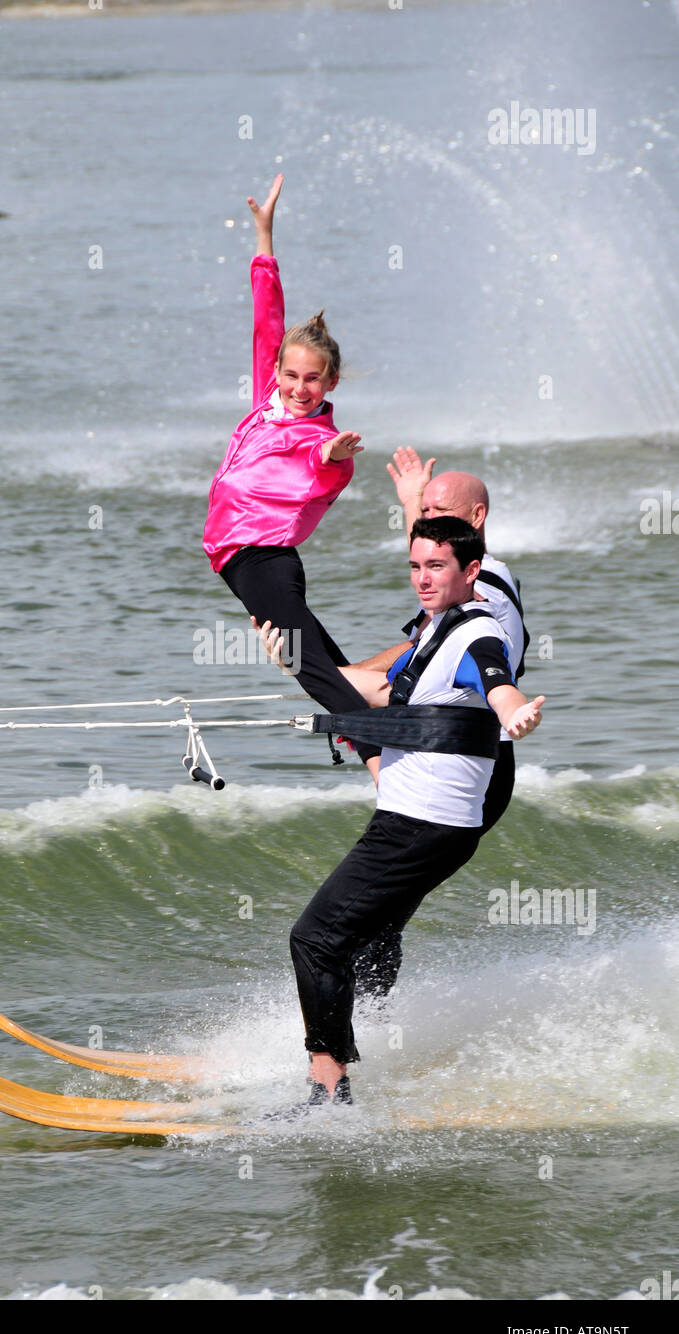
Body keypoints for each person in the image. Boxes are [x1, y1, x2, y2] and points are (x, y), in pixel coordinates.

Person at [284, 516, 544, 1104]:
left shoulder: (479, 635)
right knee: (363, 936)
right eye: (415, 566)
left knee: (316, 938)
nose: (422, 579)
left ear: (470, 571)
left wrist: (517, 712)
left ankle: (329, 1091)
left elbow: (500, 686)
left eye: (436, 567)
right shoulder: (435, 632)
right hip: (425, 823)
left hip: (420, 824)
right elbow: (374, 692)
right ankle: (360, 1042)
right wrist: (294, 661)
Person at [202, 174, 383, 780]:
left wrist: (333, 454)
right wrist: (264, 232)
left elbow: (320, 467)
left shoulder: (315, 436)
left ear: (330, 384)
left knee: (310, 665)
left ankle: (381, 754)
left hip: (263, 557)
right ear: (276, 371)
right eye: (291, 376)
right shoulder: (265, 399)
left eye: (313, 380)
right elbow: (266, 313)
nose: (300, 388)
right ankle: (394, 702)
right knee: (322, 665)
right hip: (238, 559)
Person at [350, 452, 530, 993]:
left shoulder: (487, 592)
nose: (425, 523)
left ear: (476, 518)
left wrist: (346, 678)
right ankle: (370, 1023)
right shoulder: (463, 570)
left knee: (375, 913)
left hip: (472, 762)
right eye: (423, 512)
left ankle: (365, 1032)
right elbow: (434, 551)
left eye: (438, 510)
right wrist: (411, 499)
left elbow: (429, 649)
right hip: (437, 753)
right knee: (377, 912)